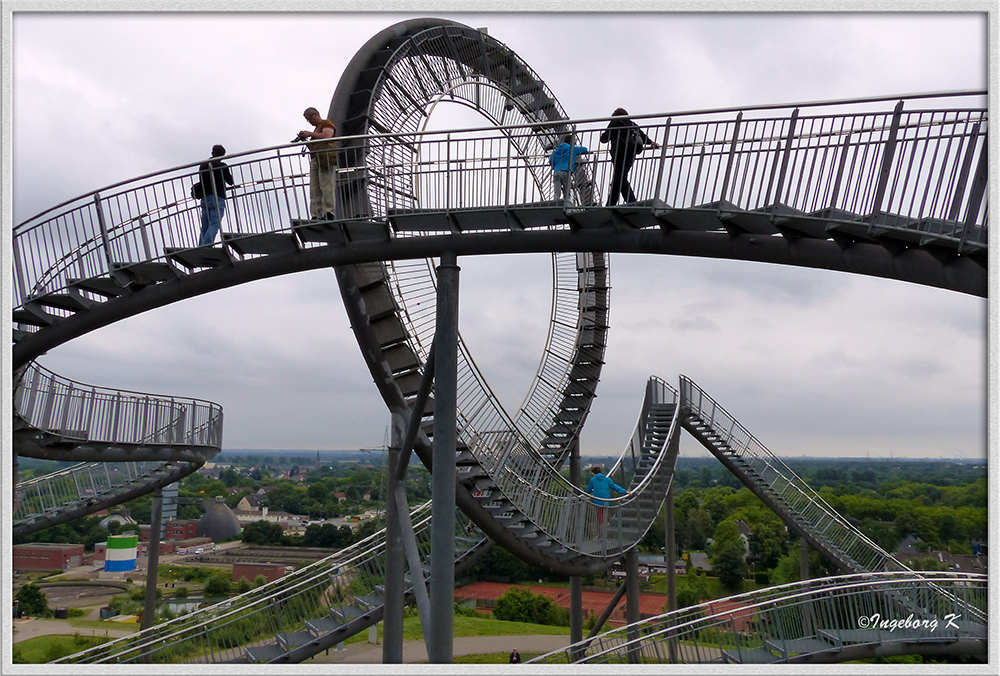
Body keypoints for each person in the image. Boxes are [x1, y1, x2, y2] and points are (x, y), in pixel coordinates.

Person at [599, 108, 660, 206]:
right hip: (631, 153)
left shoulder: (615, 122)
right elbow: (643, 136)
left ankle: (631, 201)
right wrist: (651, 143)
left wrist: (603, 135)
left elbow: (604, 139)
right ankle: (611, 204)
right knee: (619, 177)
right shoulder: (632, 124)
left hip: (619, 152)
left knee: (620, 178)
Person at [297, 106, 338, 220]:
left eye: (309, 119)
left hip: (325, 159)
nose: (309, 122)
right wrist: (305, 140)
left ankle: (328, 212)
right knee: (314, 189)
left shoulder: (326, 123)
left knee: (326, 186)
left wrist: (310, 134)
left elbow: (327, 136)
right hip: (316, 159)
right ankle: (316, 214)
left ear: (315, 115)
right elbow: (313, 147)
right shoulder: (316, 130)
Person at [198, 145, 235, 247]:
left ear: (212, 153)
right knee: (214, 224)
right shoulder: (221, 166)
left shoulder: (203, 165)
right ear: (222, 155)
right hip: (217, 197)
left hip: (205, 197)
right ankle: (206, 246)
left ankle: (201, 246)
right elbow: (230, 181)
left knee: (205, 225)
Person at [548, 133, 589, 205]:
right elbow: (585, 150)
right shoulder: (573, 149)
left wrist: (555, 165)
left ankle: (555, 204)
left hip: (556, 172)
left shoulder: (557, 150)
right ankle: (566, 204)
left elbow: (551, 159)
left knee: (556, 191)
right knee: (567, 190)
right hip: (566, 172)